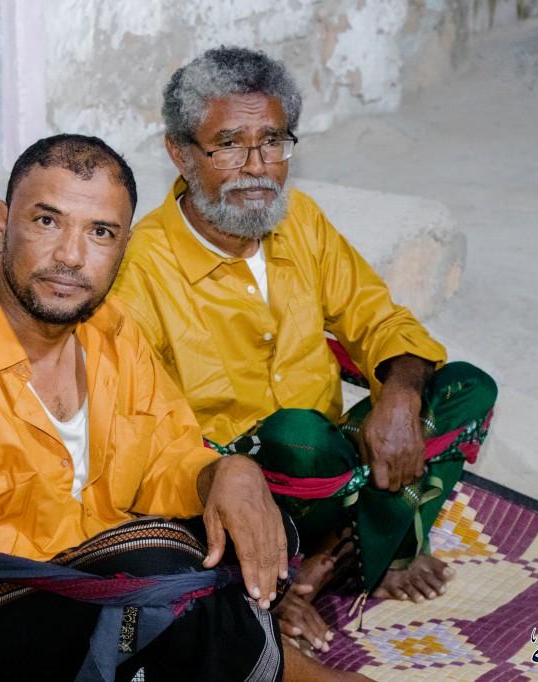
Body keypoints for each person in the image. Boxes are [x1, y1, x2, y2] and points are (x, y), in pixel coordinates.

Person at [0, 134, 364, 682]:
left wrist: (224, 472)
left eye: (100, 232)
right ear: (1, 222)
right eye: (46, 221)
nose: (70, 256)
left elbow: (165, 457)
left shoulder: (112, 333)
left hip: (83, 591)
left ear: (123, 248)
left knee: (220, 528)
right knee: (164, 579)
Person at [111, 47, 498, 655]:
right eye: (228, 145)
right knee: (297, 436)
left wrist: (399, 395)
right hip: (238, 484)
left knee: (466, 388)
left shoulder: (302, 222)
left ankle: (332, 554)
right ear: (180, 153)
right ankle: (336, 554)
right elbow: (143, 431)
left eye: (272, 141)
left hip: (333, 462)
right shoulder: (141, 269)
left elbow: (378, 317)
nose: (256, 167)